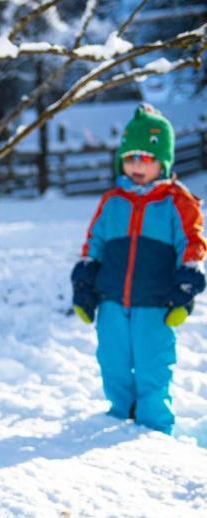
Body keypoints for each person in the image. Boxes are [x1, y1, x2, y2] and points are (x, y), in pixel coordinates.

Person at [71, 104, 206, 435]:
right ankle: (118, 417)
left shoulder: (178, 202)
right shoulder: (113, 200)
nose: (136, 166)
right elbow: (95, 242)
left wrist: (186, 286)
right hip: (112, 301)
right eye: (131, 157)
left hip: (155, 304)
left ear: (163, 161)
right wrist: (85, 282)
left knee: (153, 366)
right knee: (113, 363)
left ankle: (154, 429)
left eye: (146, 158)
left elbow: (193, 243)